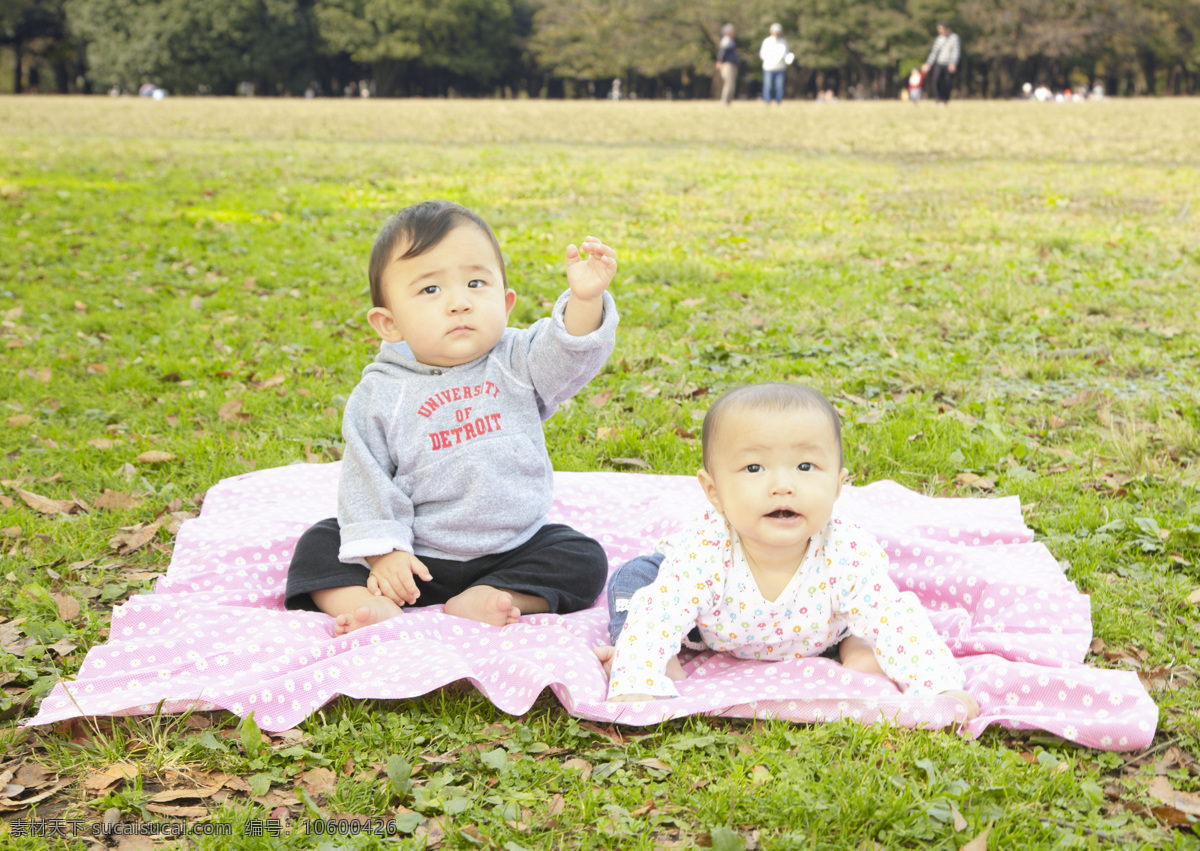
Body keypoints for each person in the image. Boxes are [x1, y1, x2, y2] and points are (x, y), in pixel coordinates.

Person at [285, 200, 619, 634]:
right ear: (389, 323)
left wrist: (584, 300)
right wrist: (385, 552)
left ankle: (499, 595)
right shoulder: (382, 392)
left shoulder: (517, 360)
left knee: (583, 557)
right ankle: (365, 604)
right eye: (430, 290)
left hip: (513, 547)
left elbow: (567, 354)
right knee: (322, 543)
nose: (459, 303)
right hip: (416, 561)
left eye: (476, 283)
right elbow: (365, 477)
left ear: (506, 301)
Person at [593, 383, 978, 719]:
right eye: (755, 468)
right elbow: (659, 613)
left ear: (839, 485)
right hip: (710, 624)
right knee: (634, 582)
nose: (782, 486)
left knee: (870, 621)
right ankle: (647, 652)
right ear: (714, 491)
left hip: (818, 630)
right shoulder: (704, 551)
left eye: (806, 466)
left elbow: (897, 620)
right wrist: (638, 678)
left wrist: (940, 688)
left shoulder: (845, 553)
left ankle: (854, 645)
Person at [921, 21, 960, 106]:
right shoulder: (938, 39)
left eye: (941, 29)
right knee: (936, 81)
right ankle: (937, 98)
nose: (940, 31)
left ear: (947, 28)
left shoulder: (954, 38)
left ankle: (945, 100)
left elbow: (956, 52)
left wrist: (953, 63)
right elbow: (934, 53)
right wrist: (928, 64)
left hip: (949, 64)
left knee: (947, 83)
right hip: (939, 63)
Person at [759, 23, 789, 104]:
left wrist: (785, 57)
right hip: (769, 68)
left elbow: (787, 54)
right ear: (771, 32)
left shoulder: (783, 42)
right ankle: (767, 102)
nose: (777, 34)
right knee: (767, 86)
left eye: (778, 32)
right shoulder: (767, 41)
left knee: (780, 87)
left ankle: (778, 102)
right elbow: (762, 55)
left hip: (780, 68)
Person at [715, 23, 738, 105]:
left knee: (730, 84)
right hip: (728, 65)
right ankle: (725, 102)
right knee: (728, 83)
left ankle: (728, 102)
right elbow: (722, 53)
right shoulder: (727, 40)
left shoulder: (730, 41)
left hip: (730, 64)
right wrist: (719, 61)